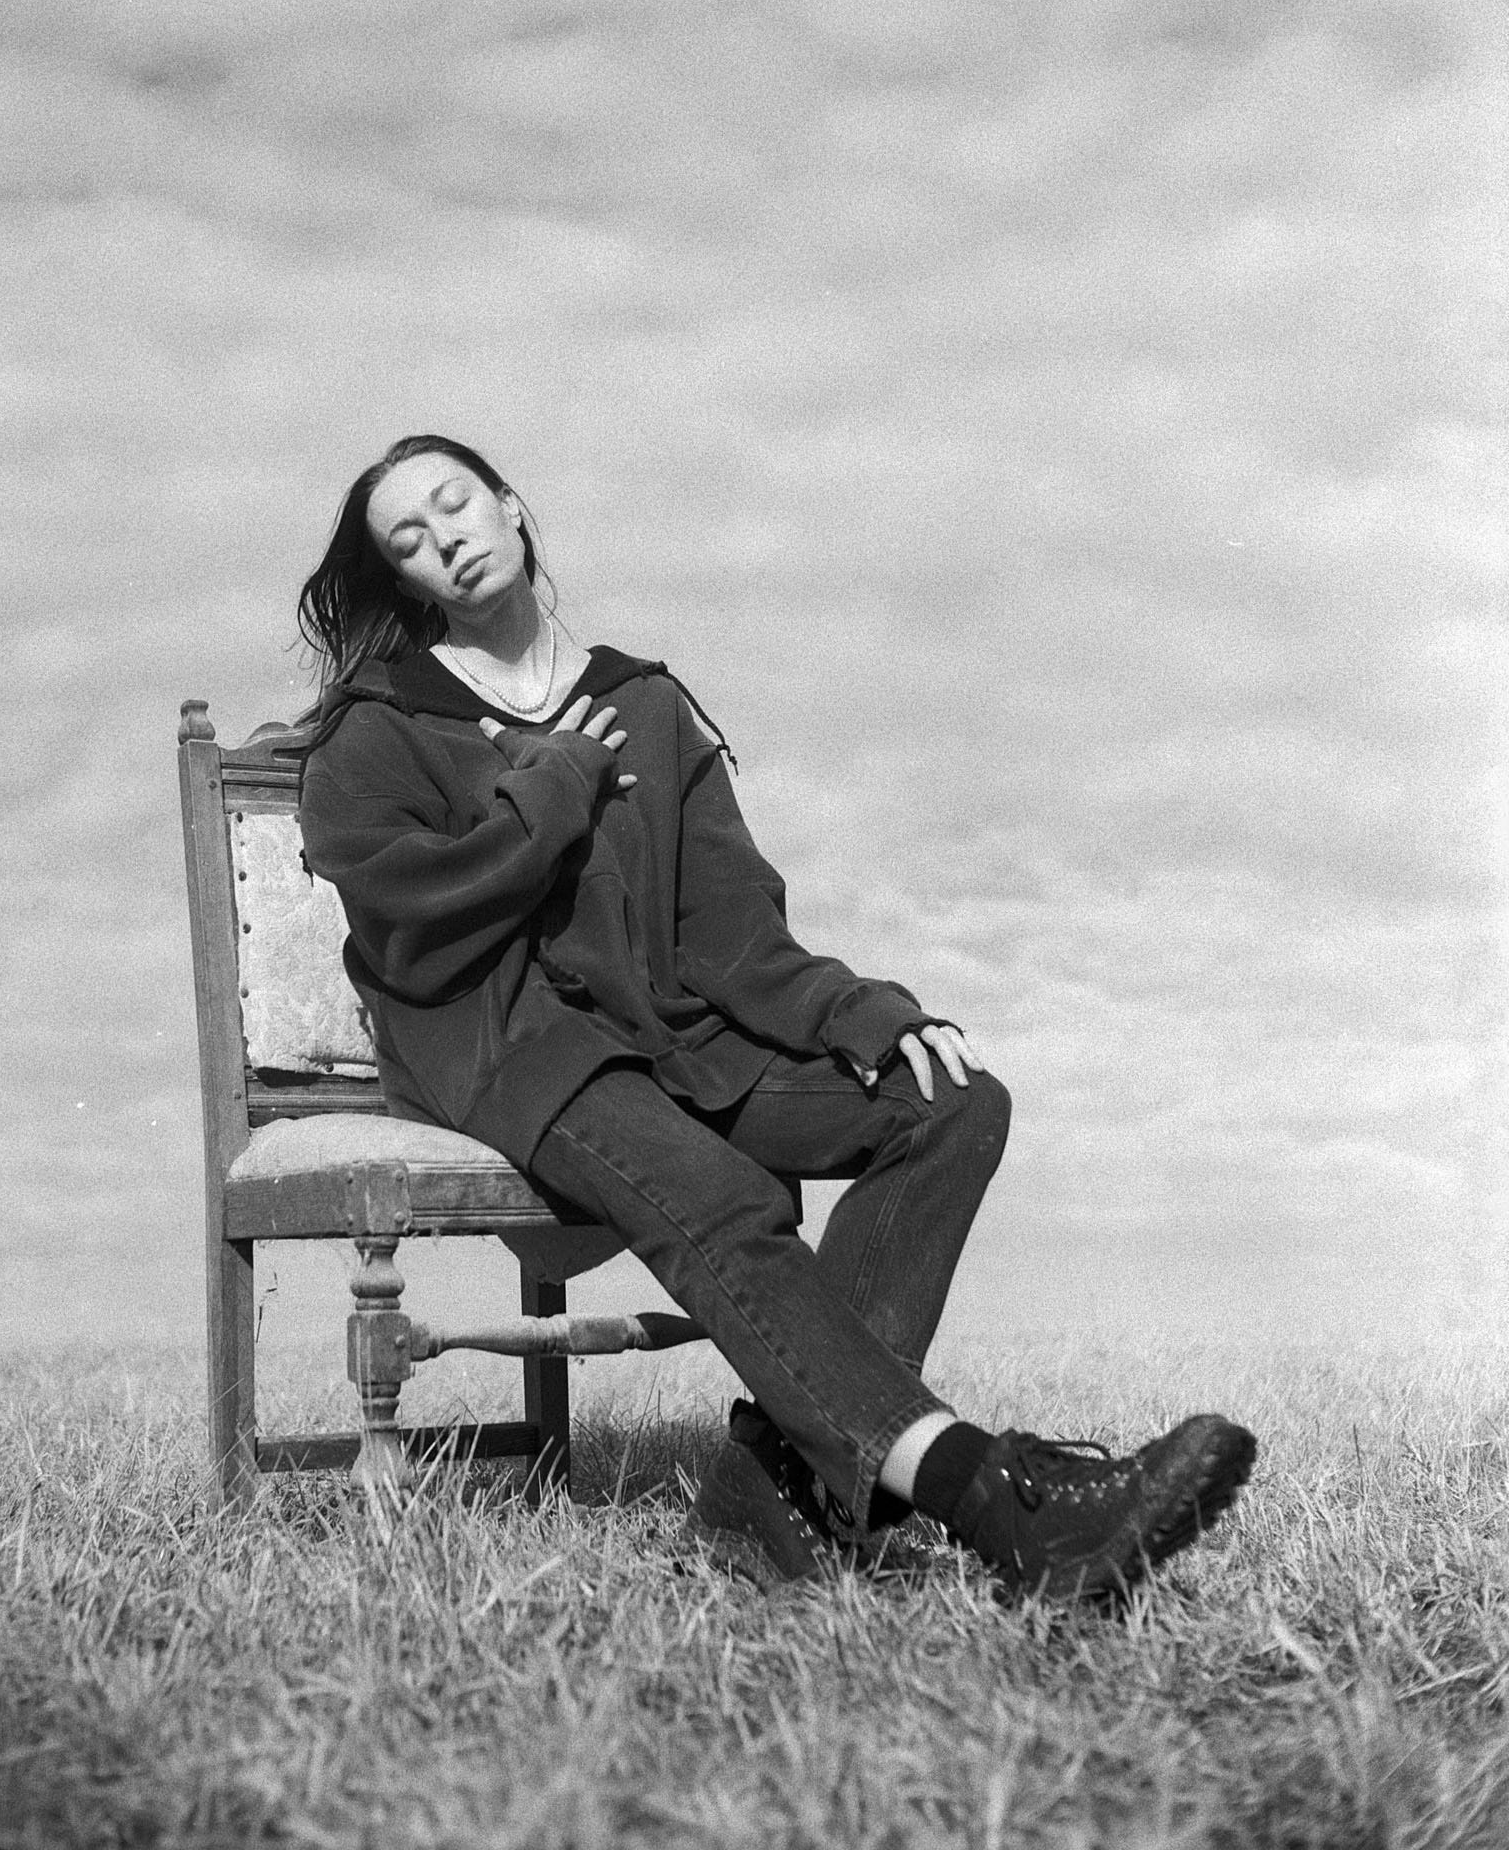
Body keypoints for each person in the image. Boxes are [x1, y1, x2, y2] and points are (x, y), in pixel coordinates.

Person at [293, 433, 1255, 1601]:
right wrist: (551, 787)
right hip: (513, 1048)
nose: (442, 538)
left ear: (507, 506)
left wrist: (865, 1013)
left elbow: (731, 926)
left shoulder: (643, 703)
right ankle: (1003, 1504)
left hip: (669, 1036)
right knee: (718, 1191)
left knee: (949, 1103)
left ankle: (777, 1482)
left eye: (453, 504)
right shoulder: (378, 725)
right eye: (408, 538)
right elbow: (411, 920)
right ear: (403, 578)